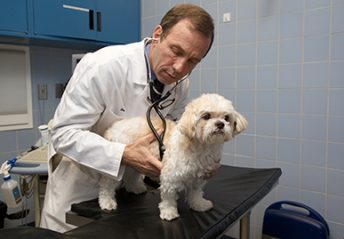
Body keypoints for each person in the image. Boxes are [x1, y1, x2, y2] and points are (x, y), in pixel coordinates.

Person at [40, 3, 214, 233]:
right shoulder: (103, 67)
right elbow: (62, 134)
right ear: (157, 34)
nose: (180, 68)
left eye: (193, 61)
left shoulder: (179, 84)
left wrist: (204, 157)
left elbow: (173, 134)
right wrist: (122, 154)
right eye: (176, 51)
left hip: (130, 194)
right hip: (81, 191)